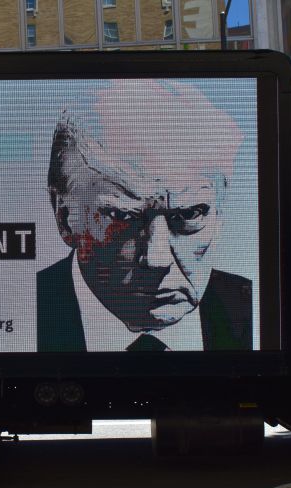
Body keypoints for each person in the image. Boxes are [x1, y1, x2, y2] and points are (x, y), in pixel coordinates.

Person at [37, 79, 253, 352]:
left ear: (220, 216)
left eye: (189, 213)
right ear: (65, 217)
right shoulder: (21, 303)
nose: (156, 259)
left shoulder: (253, 305)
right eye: (123, 217)